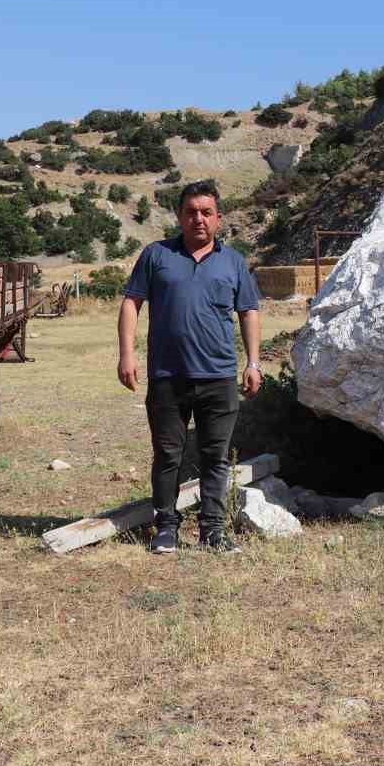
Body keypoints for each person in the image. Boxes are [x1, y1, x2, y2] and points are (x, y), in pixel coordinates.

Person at [117, 180, 262, 554]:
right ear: (179, 217)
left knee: (215, 456)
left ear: (218, 219)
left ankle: (213, 530)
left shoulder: (233, 262)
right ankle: (165, 526)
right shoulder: (156, 255)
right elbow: (132, 303)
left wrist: (254, 362)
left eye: (206, 212)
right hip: (168, 376)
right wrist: (127, 354)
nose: (198, 219)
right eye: (191, 212)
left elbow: (248, 311)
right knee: (168, 455)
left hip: (219, 377)